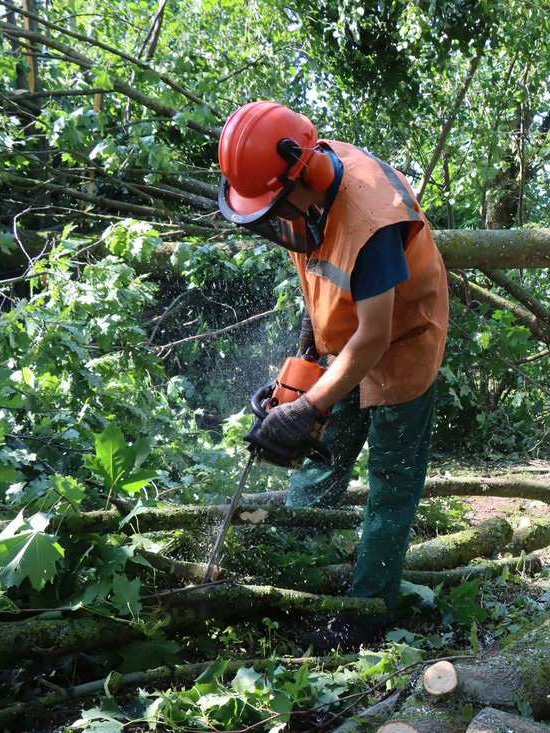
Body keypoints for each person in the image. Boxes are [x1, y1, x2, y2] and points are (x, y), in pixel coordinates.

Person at [217, 101, 448, 649]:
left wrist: (308, 407)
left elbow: (374, 337)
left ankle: (367, 610)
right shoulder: (303, 191)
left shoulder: (372, 220)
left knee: (390, 486)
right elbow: (320, 274)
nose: (271, 221)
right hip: (347, 342)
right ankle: (297, 562)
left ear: (306, 174)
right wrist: (303, 365)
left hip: (402, 342)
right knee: (322, 456)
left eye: (272, 207)